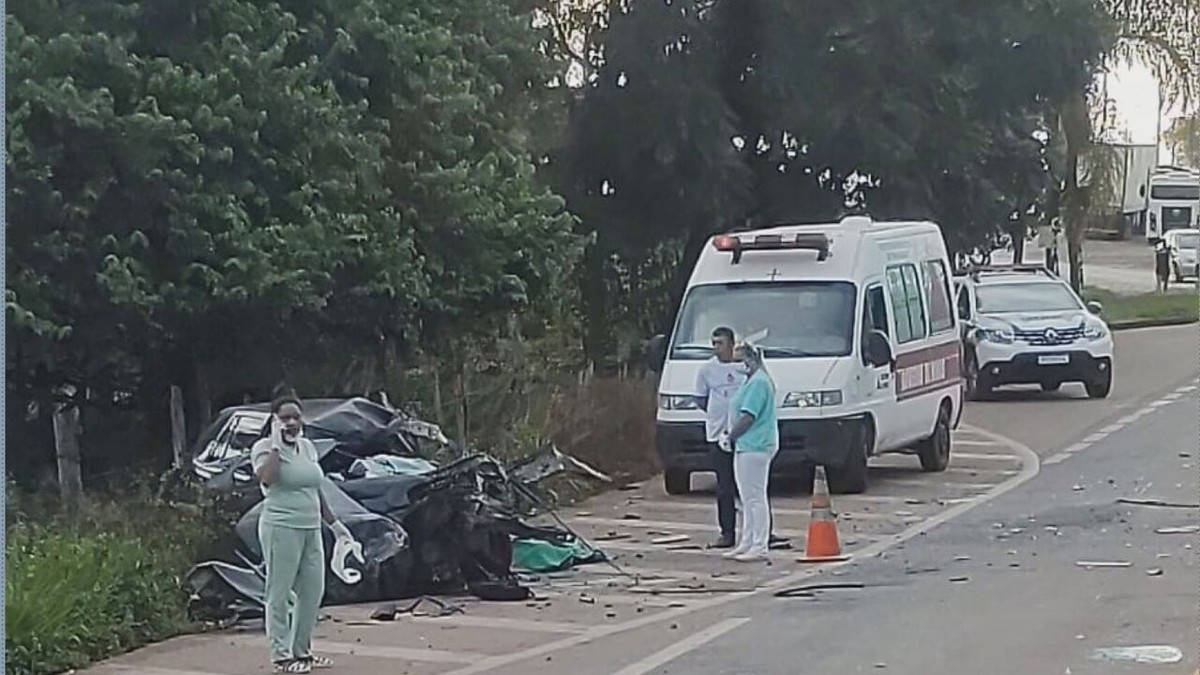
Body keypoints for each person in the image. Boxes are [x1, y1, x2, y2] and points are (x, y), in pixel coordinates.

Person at [252, 395, 358, 673]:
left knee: (312, 591)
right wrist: (276, 445)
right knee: (280, 592)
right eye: (284, 417)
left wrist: (335, 525)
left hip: (311, 527)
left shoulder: (307, 448)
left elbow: (315, 487)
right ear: (274, 420)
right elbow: (267, 478)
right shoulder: (264, 448)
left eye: (296, 417)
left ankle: (302, 651)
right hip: (281, 527)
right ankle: (282, 656)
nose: (291, 422)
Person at [719, 341, 779, 562]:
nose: (736, 365)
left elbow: (748, 415)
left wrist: (730, 435)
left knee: (755, 497)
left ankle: (759, 543)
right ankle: (747, 541)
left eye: (739, 360)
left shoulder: (759, 383)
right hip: (746, 445)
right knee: (746, 497)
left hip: (756, 445)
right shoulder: (750, 381)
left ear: (750, 359)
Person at [693, 327, 745, 549]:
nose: (716, 348)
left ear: (731, 344)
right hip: (718, 434)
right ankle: (727, 533)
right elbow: (701, 399)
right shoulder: (707, 370)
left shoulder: (744, 368)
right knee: (724, 487)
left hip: (743, 434)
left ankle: (760, 531)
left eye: (720, 343)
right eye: (713, 343)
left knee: (750, 487)